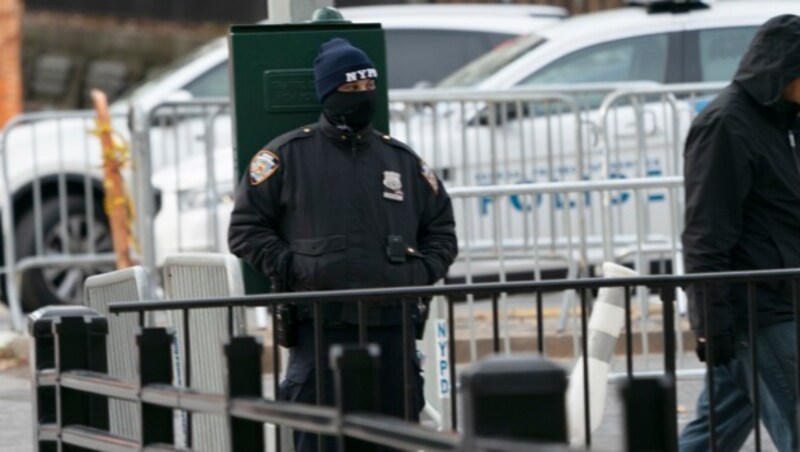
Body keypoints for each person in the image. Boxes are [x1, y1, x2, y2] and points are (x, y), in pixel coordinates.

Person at [228, 37, 458, 451]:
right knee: (321, 443)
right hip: (320, 330)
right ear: (327, 92)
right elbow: (246, 230)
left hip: (393, 331)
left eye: (367, 87)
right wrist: (299, 267)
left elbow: (442, 230)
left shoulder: (401, 160)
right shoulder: (285, 156)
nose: (360, 96)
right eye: (349, 89)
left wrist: (420, 273)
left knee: (393, 441)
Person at [679, 14, 800, 452]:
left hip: (777, 299)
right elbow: (705, 234)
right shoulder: (726, 124)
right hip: (758, 309)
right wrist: (712, 324)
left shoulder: (786, 119)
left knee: (713, 433)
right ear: (785, 69)